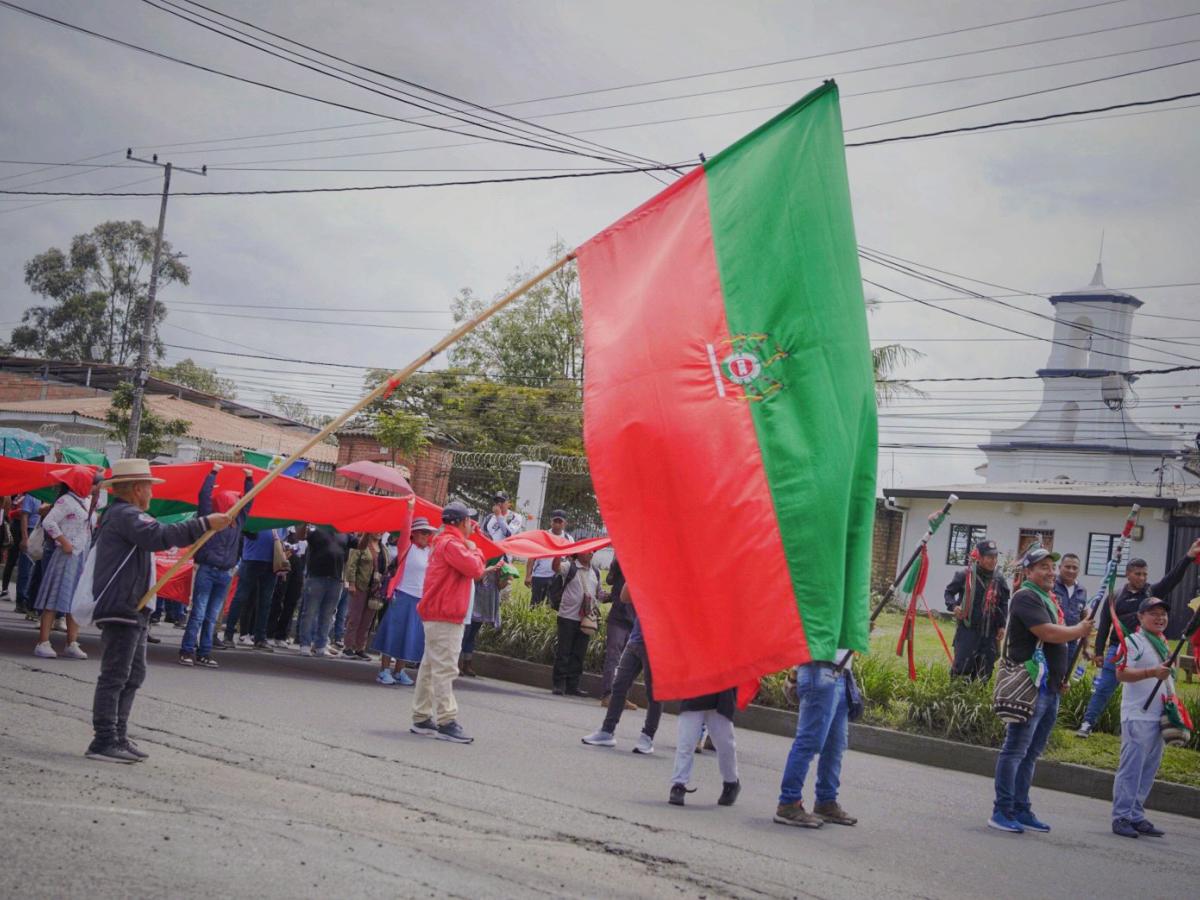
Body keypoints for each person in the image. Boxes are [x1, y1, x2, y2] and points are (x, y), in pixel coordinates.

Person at [86, 459, 232, 763]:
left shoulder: (126, 514)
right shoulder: (125, 515)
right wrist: (204, 523)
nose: (152, 493)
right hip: (122, 604)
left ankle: (118, 736)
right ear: (138, 489)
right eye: (149, 487)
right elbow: (160, 537)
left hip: (134, 605)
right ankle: (103, 739)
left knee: (133, 673)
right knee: (115, 675)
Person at [989, 546, 1094, 833]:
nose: (1050, 572)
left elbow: (1056, 644)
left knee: (1031, 753)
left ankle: (1021, 809)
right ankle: (1002, 810)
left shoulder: (1048, 599)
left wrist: (1062, 676)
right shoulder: (1025, 597)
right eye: (1043, 567)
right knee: (1015, 750)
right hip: (1030, 686)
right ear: (1028, 572)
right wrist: (1079, 629)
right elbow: (1047, 633)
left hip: (1050, 687)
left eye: (1051, 566)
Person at [1077, 539, 1200, 738]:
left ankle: (1150, 727)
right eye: (1138, 574)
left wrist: (1188, 557)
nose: (1142, 578)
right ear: (1128, 574)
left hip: (1148, 649)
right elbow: (1104, 627)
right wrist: (1099, 652)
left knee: (1152, 689)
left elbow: (1172, 579)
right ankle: (1087, 723)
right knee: (1104, 689)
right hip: (1118, 649)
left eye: (1145, 574)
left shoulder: (1152, 593)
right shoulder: (1114, 597)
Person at [411, 502, 485, 744]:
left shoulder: (443, 541)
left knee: (431, 667)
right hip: (445, 613)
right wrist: (475, 548)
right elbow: (475, 568)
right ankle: (446, 720)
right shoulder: (452, 544)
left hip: (437, 612)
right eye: (469, 521)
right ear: (463, 522)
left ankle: (422, 716)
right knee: (445, 668)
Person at [1111, 597, 1176, 838]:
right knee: (1131, 768)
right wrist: (1152, 672)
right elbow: (1121, 673)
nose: (1160, 618)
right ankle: (1121, 816)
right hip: (1137, 714)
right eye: (1153, 613)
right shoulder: (1133, 642)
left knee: (1149, 768)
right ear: (1140, 617)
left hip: (1159, 716)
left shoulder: (1163, 644)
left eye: (1163, 613)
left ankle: (1136, 815)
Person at [774, 654, 860, 829]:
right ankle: (788, 803)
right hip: (819, 670)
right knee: (809, 743)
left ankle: (826, 802)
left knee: (835, 746)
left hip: (840, 672)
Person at [180, 464, 253, 668]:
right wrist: (213, 473)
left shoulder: (238, 522)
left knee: (211, 617)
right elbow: (204, 496)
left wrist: (249, 479)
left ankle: (204, 653)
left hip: (224, 574)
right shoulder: (209, 520)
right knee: (199, 613)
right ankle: (187, 650)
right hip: (207, 570)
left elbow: (249, 500)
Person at [582, 583, 663, 753]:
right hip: (636, 640)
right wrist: (633, 571)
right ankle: (607, 731)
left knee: (654, 693)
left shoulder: (669, 577)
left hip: (657, 643)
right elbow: (625, 597)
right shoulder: (646, 572)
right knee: (618, 686)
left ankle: (647, 736)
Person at [31, 467, 99, 660]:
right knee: (54, 597)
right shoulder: (65, 501)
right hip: (66, 555)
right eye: (92, 483)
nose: (94, 487)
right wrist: (64, 541)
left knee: (75, 600)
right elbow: (49, 522)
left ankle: (72, 642)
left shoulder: (86, 502)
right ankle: (43, 642)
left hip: (81, 555)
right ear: (81, 483)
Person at [373, 515, 436, 685]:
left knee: (409, 635)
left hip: (418, 599)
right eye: (423, 532)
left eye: (428, 533)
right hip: (401, 595)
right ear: (413, 533)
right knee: (393, 633)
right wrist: (409, 510)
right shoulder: (406, 547)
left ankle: (400, 671)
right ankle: (384, 670)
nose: (426, 536)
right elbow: (405, 529)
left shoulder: (429, 551)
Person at [944, 539, 1011, 680]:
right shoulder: (965, 575)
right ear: (979, 557)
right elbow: (949, 592)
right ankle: (955, 699)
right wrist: (953, 606)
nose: (993, 561)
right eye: (989, 557)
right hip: (968, 631)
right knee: (961, 670)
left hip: (989, 634)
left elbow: (1004, 603)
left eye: (995, 557)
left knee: (984, 673)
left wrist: (1002, 626)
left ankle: (975, 699)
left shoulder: (999, 579)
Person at [669, 688, 740, 807]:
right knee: (686, 741)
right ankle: (678, 784)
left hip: (722, 694)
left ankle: (731, 782)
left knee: (725, 745)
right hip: (694, 690)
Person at [222, 523, 284, 652]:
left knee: (265, 602)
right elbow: (246, 530)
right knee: (241, 598)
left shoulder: (281, 519)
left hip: (270, 562)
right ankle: (229, 635)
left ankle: (260, 638)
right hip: (251, 559)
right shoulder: (258, 512)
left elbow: (282, 538)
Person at [551, 549, 601, 696]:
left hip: (585, 620)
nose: (590, 553)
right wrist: (557, 553)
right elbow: (555, 568)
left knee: (579, 654)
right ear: (578, 552)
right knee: (564, 652)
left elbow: (599, 593)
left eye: (593, 551)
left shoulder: (596, 572)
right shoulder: (569, 566)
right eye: (587, 551)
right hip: (567, 616)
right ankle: (558, 684)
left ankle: (573, 686)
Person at [297, 525, 350, 656]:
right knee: (310, 612)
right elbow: (300, 536)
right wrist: (303, 522)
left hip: (336, 579)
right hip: (316, 577)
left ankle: (320, 645)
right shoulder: (316, 529)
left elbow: (359, 545)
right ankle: (305, 644)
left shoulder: (345, 532)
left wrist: (367, 531)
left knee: (327, 615)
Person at [461, 563, 515, 676]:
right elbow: (473, 578)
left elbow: (499, 586)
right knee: (465, 633)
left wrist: (507, 578)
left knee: (472, 635)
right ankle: (456, 663)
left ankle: (467, 664)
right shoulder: (478, 559)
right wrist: (487, 570)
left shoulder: (502, 563)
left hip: (485, 602)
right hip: (473, 599)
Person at [600, 555, 636, 709]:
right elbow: (609, 579)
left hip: (634, 619)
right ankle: (608, 695)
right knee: (613, 657)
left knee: (628, 662)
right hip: (619, 617)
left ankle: (621, 696)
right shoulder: (622, 560)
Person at [342, 531, 384, 660]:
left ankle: (360, 648)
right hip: (360, 586)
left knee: (367, 620)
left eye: (382, 529)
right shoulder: (362, 544)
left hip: (375, 590)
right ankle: (348, 647)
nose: (379, 532)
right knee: (354, 618)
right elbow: (352, 565)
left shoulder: (383, 549)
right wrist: (352, 583)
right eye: (376, 528)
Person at [269, 524, 307, 647]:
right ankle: (269, 632)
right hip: (285, 561)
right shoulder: (287, 529)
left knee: (292, 600)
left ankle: (281, 634)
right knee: (278, 597)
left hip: (300, 565)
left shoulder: (309, 529)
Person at [525, 509, 571, 606]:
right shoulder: (542, 536)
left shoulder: (569, 539)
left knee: (553, 606)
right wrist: (528, 575)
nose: (557, 524)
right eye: (555, 521)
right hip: (540, 576)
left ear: (565, 523)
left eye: (560, 522)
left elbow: (571, 558)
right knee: (535, 605)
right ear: (551, 522)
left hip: (558, 578)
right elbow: (532, 557)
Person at [1052, 552, 1089, 670]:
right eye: (1067, 567)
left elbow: (1085, 619)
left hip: (1072, 641)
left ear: (1079, 570)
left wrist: (1086, 646)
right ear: (1059, 568)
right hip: (1052, 640)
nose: (1071, 571)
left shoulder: (1082, 591)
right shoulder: (1051, 586)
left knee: (1064, 676)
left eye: (1075, 568)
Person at [14, 489, 43, 617]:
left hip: (42, 533)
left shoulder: (50, 497)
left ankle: (31, 601)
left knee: (37, 570)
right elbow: (24, 516)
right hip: (31, 531)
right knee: (25, 568)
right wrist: (25, 538)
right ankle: (21, 601)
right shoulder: (33, 495)